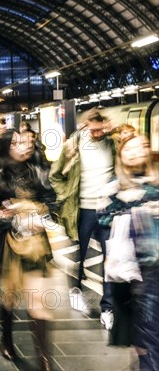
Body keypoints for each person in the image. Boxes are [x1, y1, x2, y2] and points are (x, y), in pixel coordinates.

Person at [0, 129, 58, 371]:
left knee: (38, 298)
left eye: (26, 141)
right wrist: (6, 218)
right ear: (5, 147)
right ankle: (7, 337)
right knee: (9, 296)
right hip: (6, 244)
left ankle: (43, 358)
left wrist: (39, 212)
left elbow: (53, 200)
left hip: (36, 243)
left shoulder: (39, 170)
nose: (25, 146)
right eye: (16, 143)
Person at [49, 109, 115, 328]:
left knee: (110, 259)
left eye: (101, 129)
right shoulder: (75, 147)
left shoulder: (113, 144)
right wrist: (65, 195)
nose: (97, 134)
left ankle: (107, 308)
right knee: (80, 255)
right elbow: (55, 175)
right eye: (93, 130)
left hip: (107, 210)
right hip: (82, 209)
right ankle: (75, 290)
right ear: (86, 124)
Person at [97, 135, 158, 370]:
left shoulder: (156, 181)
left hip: (153, 262)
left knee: (148, 326)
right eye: (128, 149)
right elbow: (102, 217)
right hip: (128, 266)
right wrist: (132, 210)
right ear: (120, 155)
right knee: (141, 324)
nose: (134, 152)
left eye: (139, 147)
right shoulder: (114, 186)